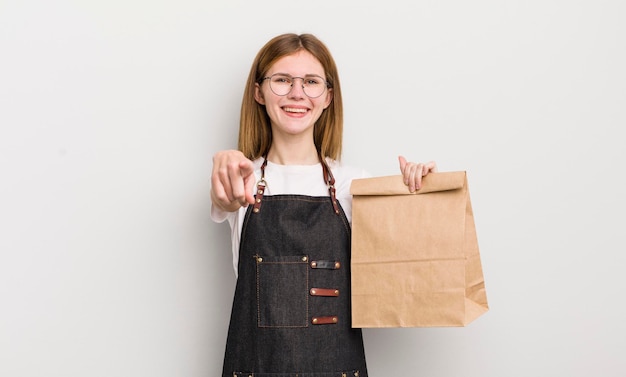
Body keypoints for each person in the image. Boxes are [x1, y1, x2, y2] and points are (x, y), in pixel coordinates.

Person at [210, 33, 437, 377]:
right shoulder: (242, 177)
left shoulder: (352, 185)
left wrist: (416, 197)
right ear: (259, 92)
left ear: (328, 97)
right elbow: (224, 197)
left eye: (311, 82)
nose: (297, 93)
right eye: (282, 80)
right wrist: (225, 166)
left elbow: (405, 271)